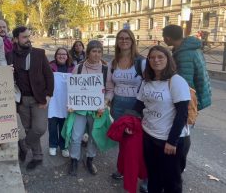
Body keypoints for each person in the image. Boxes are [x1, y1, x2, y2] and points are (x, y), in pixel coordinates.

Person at [132, 45, 191, 193]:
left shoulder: (176, 81)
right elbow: (139, 105)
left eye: (160, 57)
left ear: (168, 59)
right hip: (149, 136)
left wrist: (172, 141)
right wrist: (128, 121)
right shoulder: (146, 81)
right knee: (153, 177)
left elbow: (182, 114)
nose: (155, 60)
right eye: (152, 57)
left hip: (169, 141)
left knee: (172, 182)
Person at [6, 26, 54, 171]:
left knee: (39, 128)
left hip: (39, 99)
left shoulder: (39, 53)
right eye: (24, 37)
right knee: (28, 129)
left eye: (28, 36)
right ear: (15, 39)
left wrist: (48, 95)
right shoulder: (9, 56)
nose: (28, 40)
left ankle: (24, 145)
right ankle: (37, 156)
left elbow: (49, 75)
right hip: (21, 99)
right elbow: (5, 78)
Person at [105, 29, 147, 191]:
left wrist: (141, 108)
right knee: (123, 141)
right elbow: (110, 87)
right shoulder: (113, 63)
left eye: (127, 38)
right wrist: (106, 101)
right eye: (120, 38)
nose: (123, 41)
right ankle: (122, 169)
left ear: (132, 40)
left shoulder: (141, 63)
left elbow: (148, 85)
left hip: (136, 107)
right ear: (117, 41)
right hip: (117, 106)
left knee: (137, 144)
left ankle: (143, 175)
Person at [63, 40, 111, 176]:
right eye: (94, 51)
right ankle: (74, 159)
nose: (97, 54)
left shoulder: (105, 69)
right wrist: (70, 104)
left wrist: (105, 103)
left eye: (99, 52)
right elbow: (71, 89)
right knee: (76, 135)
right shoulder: (78, 68)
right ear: (88, 52)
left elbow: (110, 90)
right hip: (80, 109)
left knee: (94, 136)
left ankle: (90, 159)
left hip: (97, 110)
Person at [162, 24, 211, 111]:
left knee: (186, 122)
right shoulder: (190, 47)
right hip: (200, 91)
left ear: (167, 38)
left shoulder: (184, 54)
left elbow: (185, 82)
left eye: (163, 37)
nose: (163, 39)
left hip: (191, 98)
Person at [48, 47, 74, 157]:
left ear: (67, 56)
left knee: (65, 126)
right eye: (59, 54)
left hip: (67, 102)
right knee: (52, 126)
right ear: (56, 55)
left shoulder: (73, 68)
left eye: (64, 54)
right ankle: (53, 145)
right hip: (53, 101)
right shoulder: (50, 67)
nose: (61, 56)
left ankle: (64, 146)